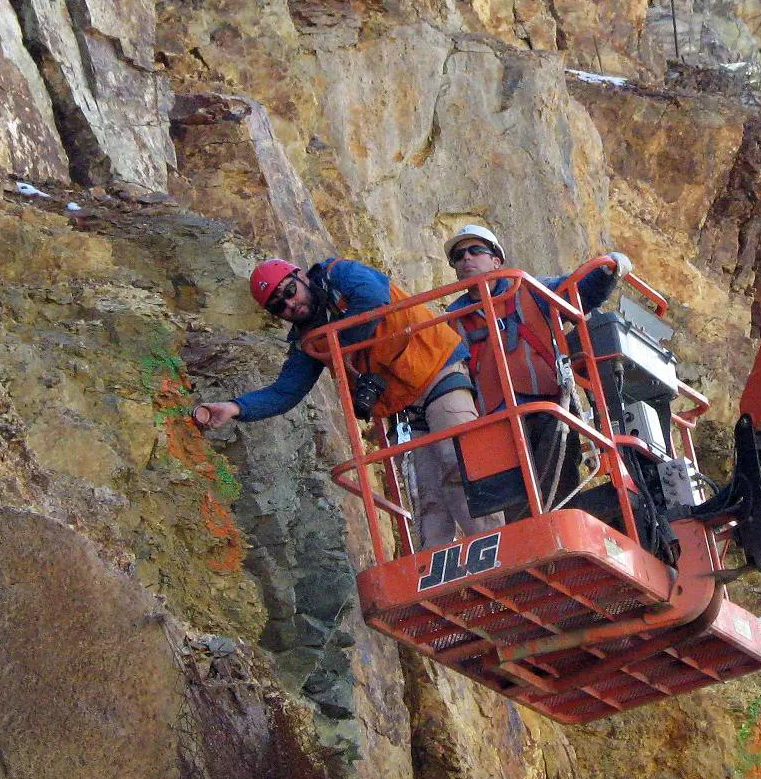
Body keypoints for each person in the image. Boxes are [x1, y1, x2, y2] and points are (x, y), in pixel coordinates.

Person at [193, 256, 496, 550]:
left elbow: (373, 298)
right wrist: (235, 408)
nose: (290, 304)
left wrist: (336, 342)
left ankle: (494, 542)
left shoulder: (339, 274)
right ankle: (436, 564)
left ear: (301, 277)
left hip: (436, 368)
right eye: (278, 307)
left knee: (458, 458)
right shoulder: (309, 339)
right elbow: (285, 392)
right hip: (403, 405)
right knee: (425, 491)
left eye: (289, 291)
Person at [442, 224, 631, 512]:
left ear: (496, 259)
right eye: (458, 255)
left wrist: (607, 272)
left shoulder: (527, 289)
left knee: (557, 490)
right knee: (514, 507)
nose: (466, 258)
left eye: (475, 250)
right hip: (495, 421)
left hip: (545, 406)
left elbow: (576, 292)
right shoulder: (451, 319)